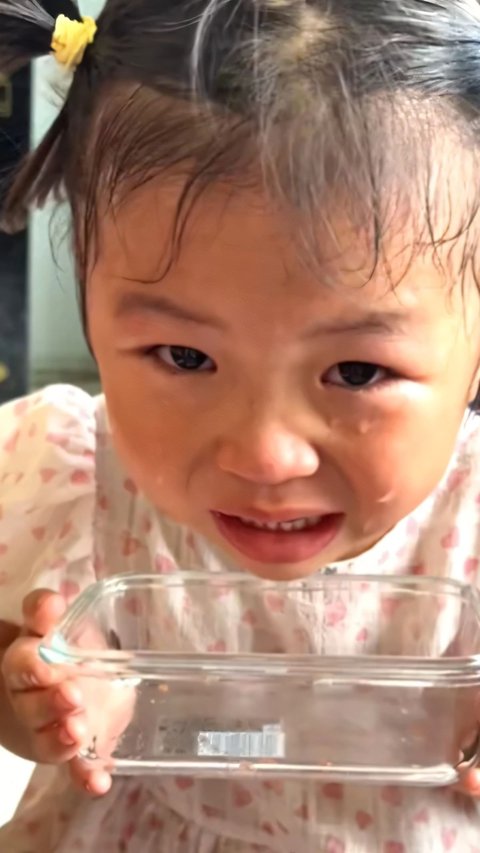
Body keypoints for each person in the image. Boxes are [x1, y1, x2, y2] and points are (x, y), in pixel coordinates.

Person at [1, 0, 480, 849]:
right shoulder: (71, 472)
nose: (264, 454)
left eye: (358, 371)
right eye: (183, 357)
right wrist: (36, 696)